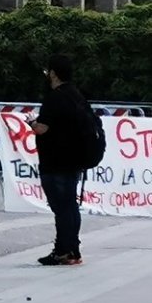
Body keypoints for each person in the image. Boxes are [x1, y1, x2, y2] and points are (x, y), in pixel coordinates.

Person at [33, 59, 93, 266]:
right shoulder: (77, 96)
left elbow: (43, 128)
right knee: (70, 205)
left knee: (61, 207)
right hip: (74, 159)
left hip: (55, 160)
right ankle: (72, 249)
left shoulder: (55, 98)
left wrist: (32, 123)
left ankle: (64, 250)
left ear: (53, 74)